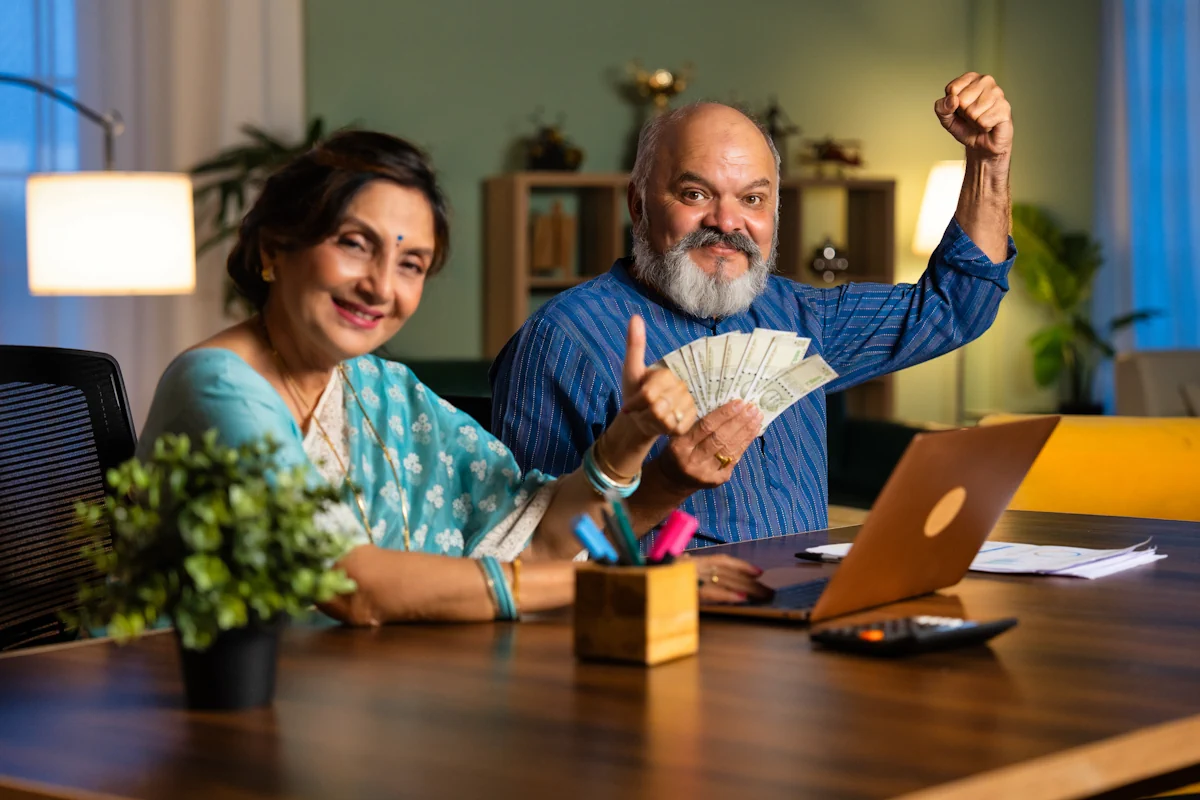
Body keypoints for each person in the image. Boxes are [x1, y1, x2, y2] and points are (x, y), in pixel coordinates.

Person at [138, 131, 771, 625]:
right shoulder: (217, 386)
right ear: (275, 248)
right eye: (355, 244)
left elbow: (538, 533)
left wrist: (629, 437)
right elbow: (352, 587)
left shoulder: (380, 387)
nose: (381, 286)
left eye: (410, 263)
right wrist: (630, 586)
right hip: (206, 717)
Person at [491, 72, 1016, 544]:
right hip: (669, 631)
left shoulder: (800, 317)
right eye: (695, 194)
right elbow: (524, 550)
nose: (728, 221)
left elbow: (954, 307)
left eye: (753, 199)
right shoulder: (563, 339)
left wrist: (988, 162)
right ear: (638, 205)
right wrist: (661, 485)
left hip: (805, 624)